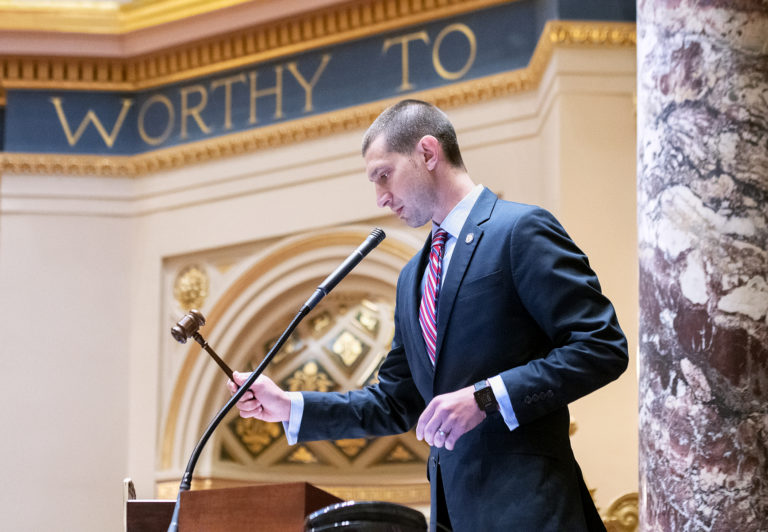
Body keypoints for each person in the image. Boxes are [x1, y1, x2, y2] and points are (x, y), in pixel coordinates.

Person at [228, 99, 628, 531]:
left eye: (384, 175)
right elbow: (396, 401)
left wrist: (485, 398)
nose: (381, 197)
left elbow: (601, 346)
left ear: (427, 152)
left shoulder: (519, 231)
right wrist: (289, 406)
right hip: (451, 517)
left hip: (531, 511)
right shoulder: (411, 279)